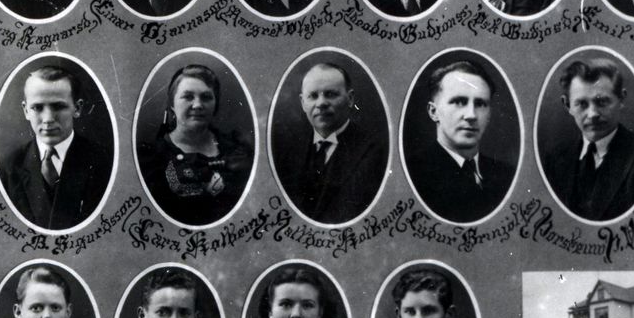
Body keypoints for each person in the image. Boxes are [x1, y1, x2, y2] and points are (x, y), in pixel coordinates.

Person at [0, 63, 113, 233]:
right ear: (26, 110)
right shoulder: (8, 168)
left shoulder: (105, 162)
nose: (48, 119)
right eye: (37, 107)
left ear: (77, 108)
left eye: (58, 106)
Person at [539, 55, 634, 222]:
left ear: (621, 99)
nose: (592, 114)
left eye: (602, 102)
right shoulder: (554, 159)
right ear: (567, 105)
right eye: (582, 104)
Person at [275, 59, 388, 225]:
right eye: (313, 96)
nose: (321, 103)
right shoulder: (287, 152)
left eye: (330, 94)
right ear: (303, 103)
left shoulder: (376, 152)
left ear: (350, 99)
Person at [139, 63, 253, 227]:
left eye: (206, 97)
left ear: (215, 104)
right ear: (172, 104)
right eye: (188, 97)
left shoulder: (236, 148)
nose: (198, 105)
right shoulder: (152, 157)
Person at [404, 57, 514, 224]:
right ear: (433, 112)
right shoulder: (412, 174)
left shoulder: (507, 175)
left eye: (480, 104)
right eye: (459, 102)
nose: (471, 115)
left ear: (489, 114)